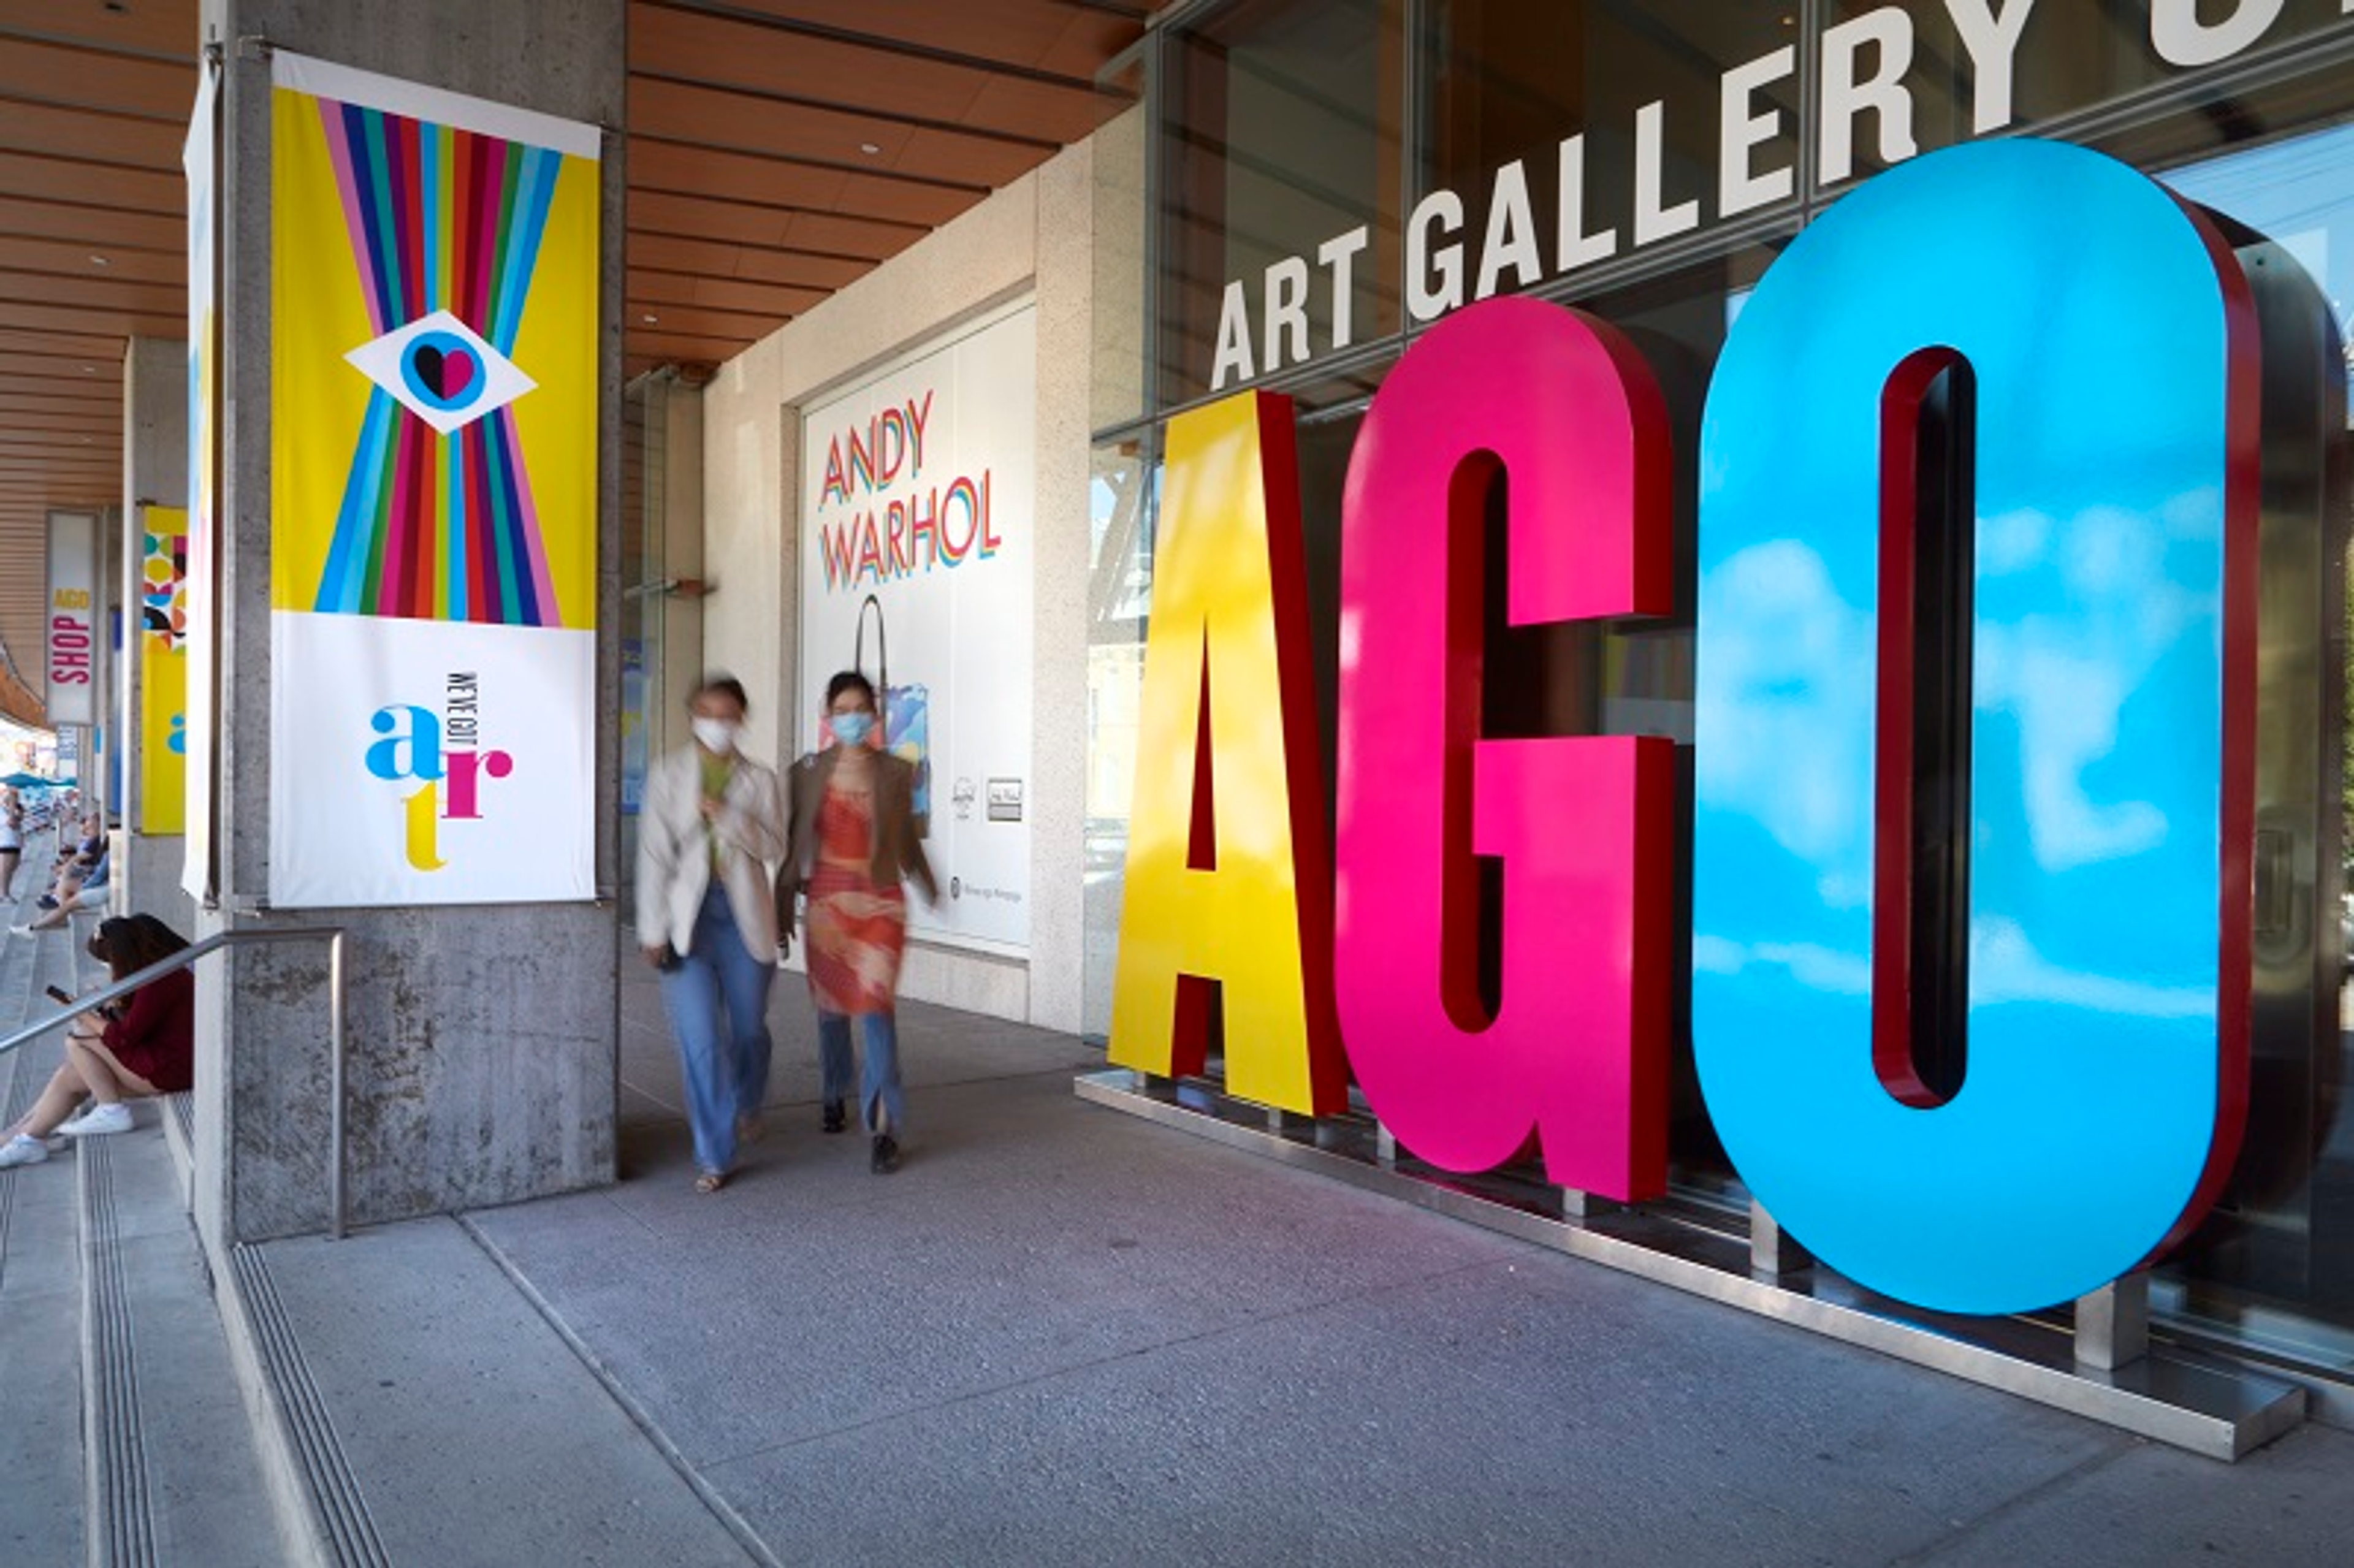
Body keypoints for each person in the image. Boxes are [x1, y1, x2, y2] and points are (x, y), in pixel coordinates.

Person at [777, 671, 936, 1174]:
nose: (851, 718)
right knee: (831, 1008)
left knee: (876, 1006)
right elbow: (792, 842)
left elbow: (905, 838)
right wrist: (782, 905)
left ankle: (884, 1127)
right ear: (827, 716)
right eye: (841, 710)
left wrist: (927, 882)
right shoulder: (804, 772)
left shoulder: (894, 772)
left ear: (874, 714)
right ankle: (833, 1091)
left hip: (881, 902)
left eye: (859, 709)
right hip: (827, 901)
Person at [634, 676, 787, 1193]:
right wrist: (651, 928)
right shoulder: (667, 774)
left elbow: (773, 848)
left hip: (743, 914)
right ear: (692, 715)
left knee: (748, 1030)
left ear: (741, 719)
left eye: (726, 715)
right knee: (700, 1040)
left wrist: (729, 817)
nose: (716, 724)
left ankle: (748, 1100)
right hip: (686, 919)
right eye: (707, 712)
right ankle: (714, 1155)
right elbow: (654, 854)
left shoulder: (760, 779)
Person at [0, 915, 194, 1169]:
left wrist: (80, 1011)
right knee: (70, 1074)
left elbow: (122, 1036)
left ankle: (110, 1110)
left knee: (78, 1041)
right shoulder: (167, 971)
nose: (112, 969)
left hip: (171, 1069)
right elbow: (138, 1026)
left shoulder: (160, 979)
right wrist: (106, 1009)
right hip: (169, 1060)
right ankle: (23, 1137)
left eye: (110, 962)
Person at [0, 790, 21, 899]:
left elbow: (19, 822)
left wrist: (16, 810)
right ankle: (4, 893)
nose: (15, 800)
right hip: (6, 842)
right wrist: (13, 808)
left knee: (13, 867)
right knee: (5, 869)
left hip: (15, 842)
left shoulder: (11, 811)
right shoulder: (2, 811)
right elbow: (12, 823)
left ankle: (6, 892)